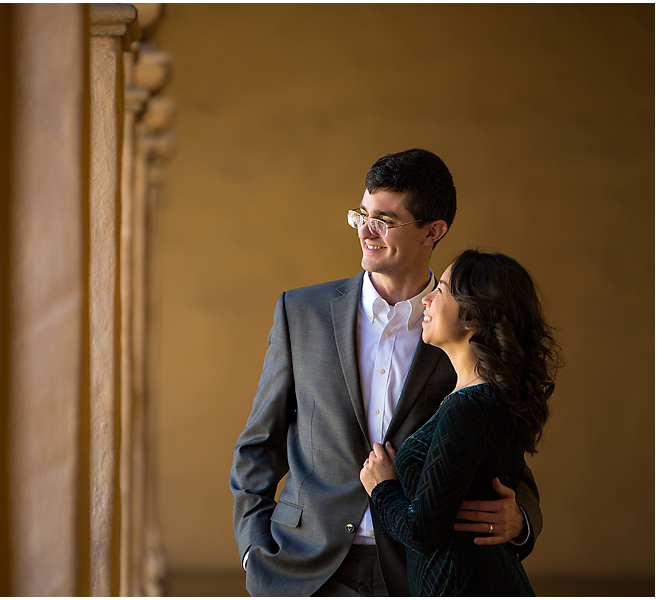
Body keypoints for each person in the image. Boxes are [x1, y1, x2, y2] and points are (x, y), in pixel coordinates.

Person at [230, 149, 542, 597]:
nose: (366, 230)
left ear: (433, 231)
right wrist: (252, 551)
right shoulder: (301, 313)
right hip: (303, 570)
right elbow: (259, 443)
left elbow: (500, 451)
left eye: (386, 220)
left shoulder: (462, 327)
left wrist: (521, 519)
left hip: (415, 573)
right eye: (362, 214)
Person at [360, 250, 560, 595]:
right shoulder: (479, 398)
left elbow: (421, 532)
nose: (427, 299)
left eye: (441, 289)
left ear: (474, 315)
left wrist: (381, 487)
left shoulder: (469, 406)